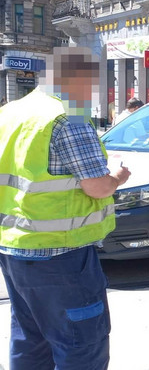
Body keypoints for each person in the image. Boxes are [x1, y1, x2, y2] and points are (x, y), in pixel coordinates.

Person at [0, 46, 131, 369]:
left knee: (30, 340)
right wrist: (118, 175)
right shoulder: (67, 118)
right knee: (81, 345)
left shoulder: (11, 111)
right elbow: (97, 187)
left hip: (14, 249)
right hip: (62, 255)